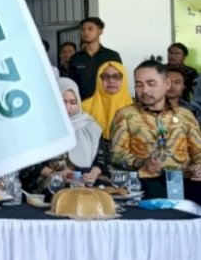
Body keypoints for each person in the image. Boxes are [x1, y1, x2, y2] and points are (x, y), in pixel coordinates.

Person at [109, 60, 201, 199]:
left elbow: (198, 152)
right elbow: (116, 155)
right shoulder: (126, 115)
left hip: (185, 180)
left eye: (151, 83)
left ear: (166, 84)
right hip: (145, 181)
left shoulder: (185, 115)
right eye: (139, 84)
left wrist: (199, 167)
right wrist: (142, 162)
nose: (144, 90)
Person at [27, 78, 104, 192]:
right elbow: (29, 164)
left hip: (86, 182)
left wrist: (93, 173)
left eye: (73, 102)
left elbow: (102, 160)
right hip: (52, 181)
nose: (68, 107)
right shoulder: (40, 127)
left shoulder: (90, 126)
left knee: (105, 189)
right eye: (63, 101)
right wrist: (55, 174)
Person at [68, 17, 122, 100]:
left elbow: (119, 81)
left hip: (106, 103)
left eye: (90, 29)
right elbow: (71, 84)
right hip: (82, 105)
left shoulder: (112, 56)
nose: (86, 32)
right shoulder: (75, 58)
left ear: (100, 31)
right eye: (83, 30)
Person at [81, 61, 132, 142]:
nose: (111, 80)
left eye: (117, 76)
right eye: (105, 77)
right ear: (99, 80)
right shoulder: (84, 108)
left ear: (124, 79)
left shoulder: (135, 109)